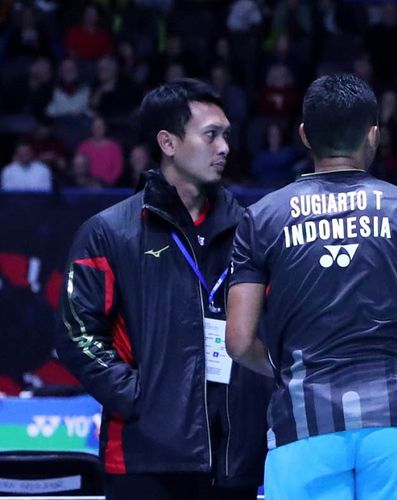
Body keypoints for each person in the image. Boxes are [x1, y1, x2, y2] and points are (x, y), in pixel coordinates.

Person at [226, 73, 397, 500]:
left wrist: (290, 372)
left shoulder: (261, 218)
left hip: (303, 424)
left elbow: (239, 342)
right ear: (373, 135)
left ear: (303, 136)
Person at [55, 78, 270, 500]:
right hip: (144, 457)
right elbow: (75, 333)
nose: (224, 147)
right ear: (168, 143)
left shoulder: (251, 230)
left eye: (226, 135)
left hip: (234, 456)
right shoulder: (108, 232)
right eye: (211, 135)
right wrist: (139, 396)